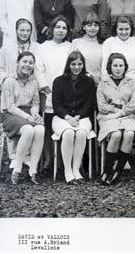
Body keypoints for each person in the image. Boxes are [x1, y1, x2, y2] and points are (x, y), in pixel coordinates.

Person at [97, 52, 135, 185]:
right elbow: (101, 105)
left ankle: (118, 171)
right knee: (116, 134)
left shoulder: (132, 82)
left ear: (125, 67)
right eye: (115, 65)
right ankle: (106, 171)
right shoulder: (103, 83)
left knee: (129, 134)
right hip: (108, 116)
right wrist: (115, 111)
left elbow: (134, 103)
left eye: (121, 65)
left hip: (128, 116)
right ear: (110, 67)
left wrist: (121, 113)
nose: (118, 68)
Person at [0, 51, 44, 185]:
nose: (27, 65)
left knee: (40, 129)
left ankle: (33, 170)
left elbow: (35, 103)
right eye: (24, 61)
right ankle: (17, 168)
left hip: (27, 114)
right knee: (29, 130)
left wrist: (35, 114)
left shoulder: (34, 82)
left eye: (31, 62)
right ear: (18, 63)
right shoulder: (9, 81)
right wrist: (29, 117)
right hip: (10, 115)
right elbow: (11, 106)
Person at [52, 51, 95, 183]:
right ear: (68, 65)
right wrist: (67, 117)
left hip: (82, 118)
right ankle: (68, 171)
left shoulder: (88, 82)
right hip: (61, 118)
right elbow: (56, 104)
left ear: (83, 65)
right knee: (68, 133)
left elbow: (89, 104)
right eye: (73, 64)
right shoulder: (59, 81)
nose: (76, 67)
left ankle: (76, 170)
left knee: (82, 133)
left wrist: (78, 116)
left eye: (79, 64)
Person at [35, 16, 72, 170]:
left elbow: (74, 68)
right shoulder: (42, 47)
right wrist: (44, 86)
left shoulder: (70, 47)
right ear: (52, 29)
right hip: (48, 90)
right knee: (47, 126)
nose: (60, 30)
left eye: (64, 28)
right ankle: (48, 158)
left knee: (65, 124)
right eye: (58, 27)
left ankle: (63, 159)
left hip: (67, 92)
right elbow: (38, 68)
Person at [0, 19, 39, 85]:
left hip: (32, 87)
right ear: (16, 30)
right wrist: (7, 79)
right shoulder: (6, 48)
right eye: (22, 30)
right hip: (11, 87)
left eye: (28, 30)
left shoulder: (38, 47)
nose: (25, 33)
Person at [102, 16, 135, 81]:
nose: (124, 32)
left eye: (127, 29)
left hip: (132, 82)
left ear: (131, 29)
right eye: (120, 29)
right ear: (116, 29)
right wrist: (105, 82)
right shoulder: (108, 42)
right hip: (113, 82)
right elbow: (104, 67)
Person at [70, 13, 103, 85]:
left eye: (96, 25)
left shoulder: (103, 44)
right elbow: (71, 64)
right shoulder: (76, 42)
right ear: (84, 27)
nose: (93, 28)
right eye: (89, 25)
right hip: (80, 83)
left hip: (99, 84)